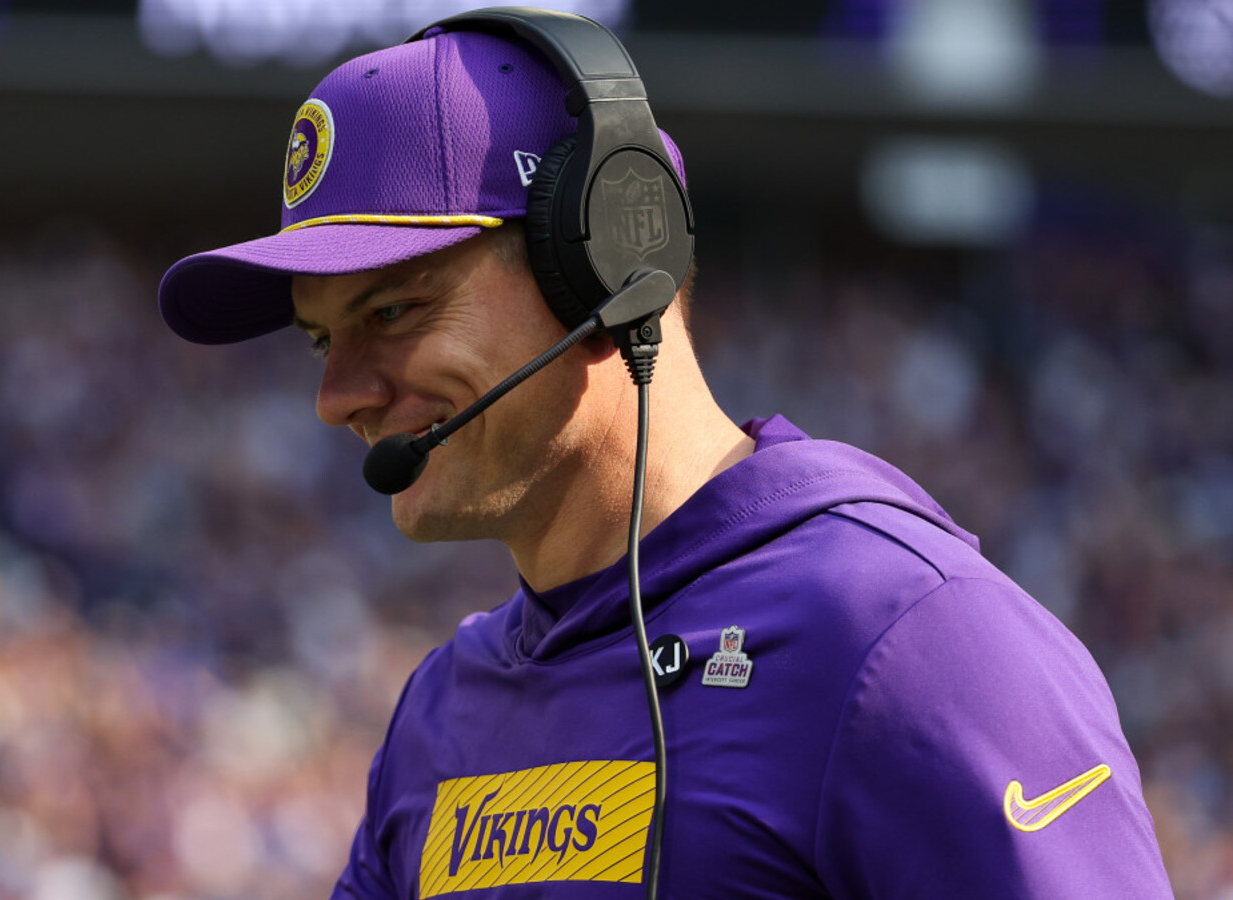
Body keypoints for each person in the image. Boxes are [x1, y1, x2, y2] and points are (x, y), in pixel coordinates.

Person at [155, 9, 1172, 899]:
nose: (337, 397)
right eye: (323, 341)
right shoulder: (437, 714)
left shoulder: (915, 640)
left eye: (393, 311)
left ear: (606, 262)